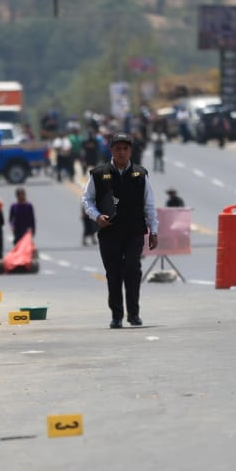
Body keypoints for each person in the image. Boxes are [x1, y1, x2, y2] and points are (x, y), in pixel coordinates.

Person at [81, 132, 158, 328]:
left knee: (132, 269)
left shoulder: (140, 174)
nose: (121, 152)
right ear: (111, 151)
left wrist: (154, 230)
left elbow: (149, 204)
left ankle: (134, 314)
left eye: (125, 149)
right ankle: (117, 316)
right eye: (118, 149)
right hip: (109, 232)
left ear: (130, 151)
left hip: (134, 231)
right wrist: (96, 216)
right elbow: (87, 199)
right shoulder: (98, 174)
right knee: (113, 273)